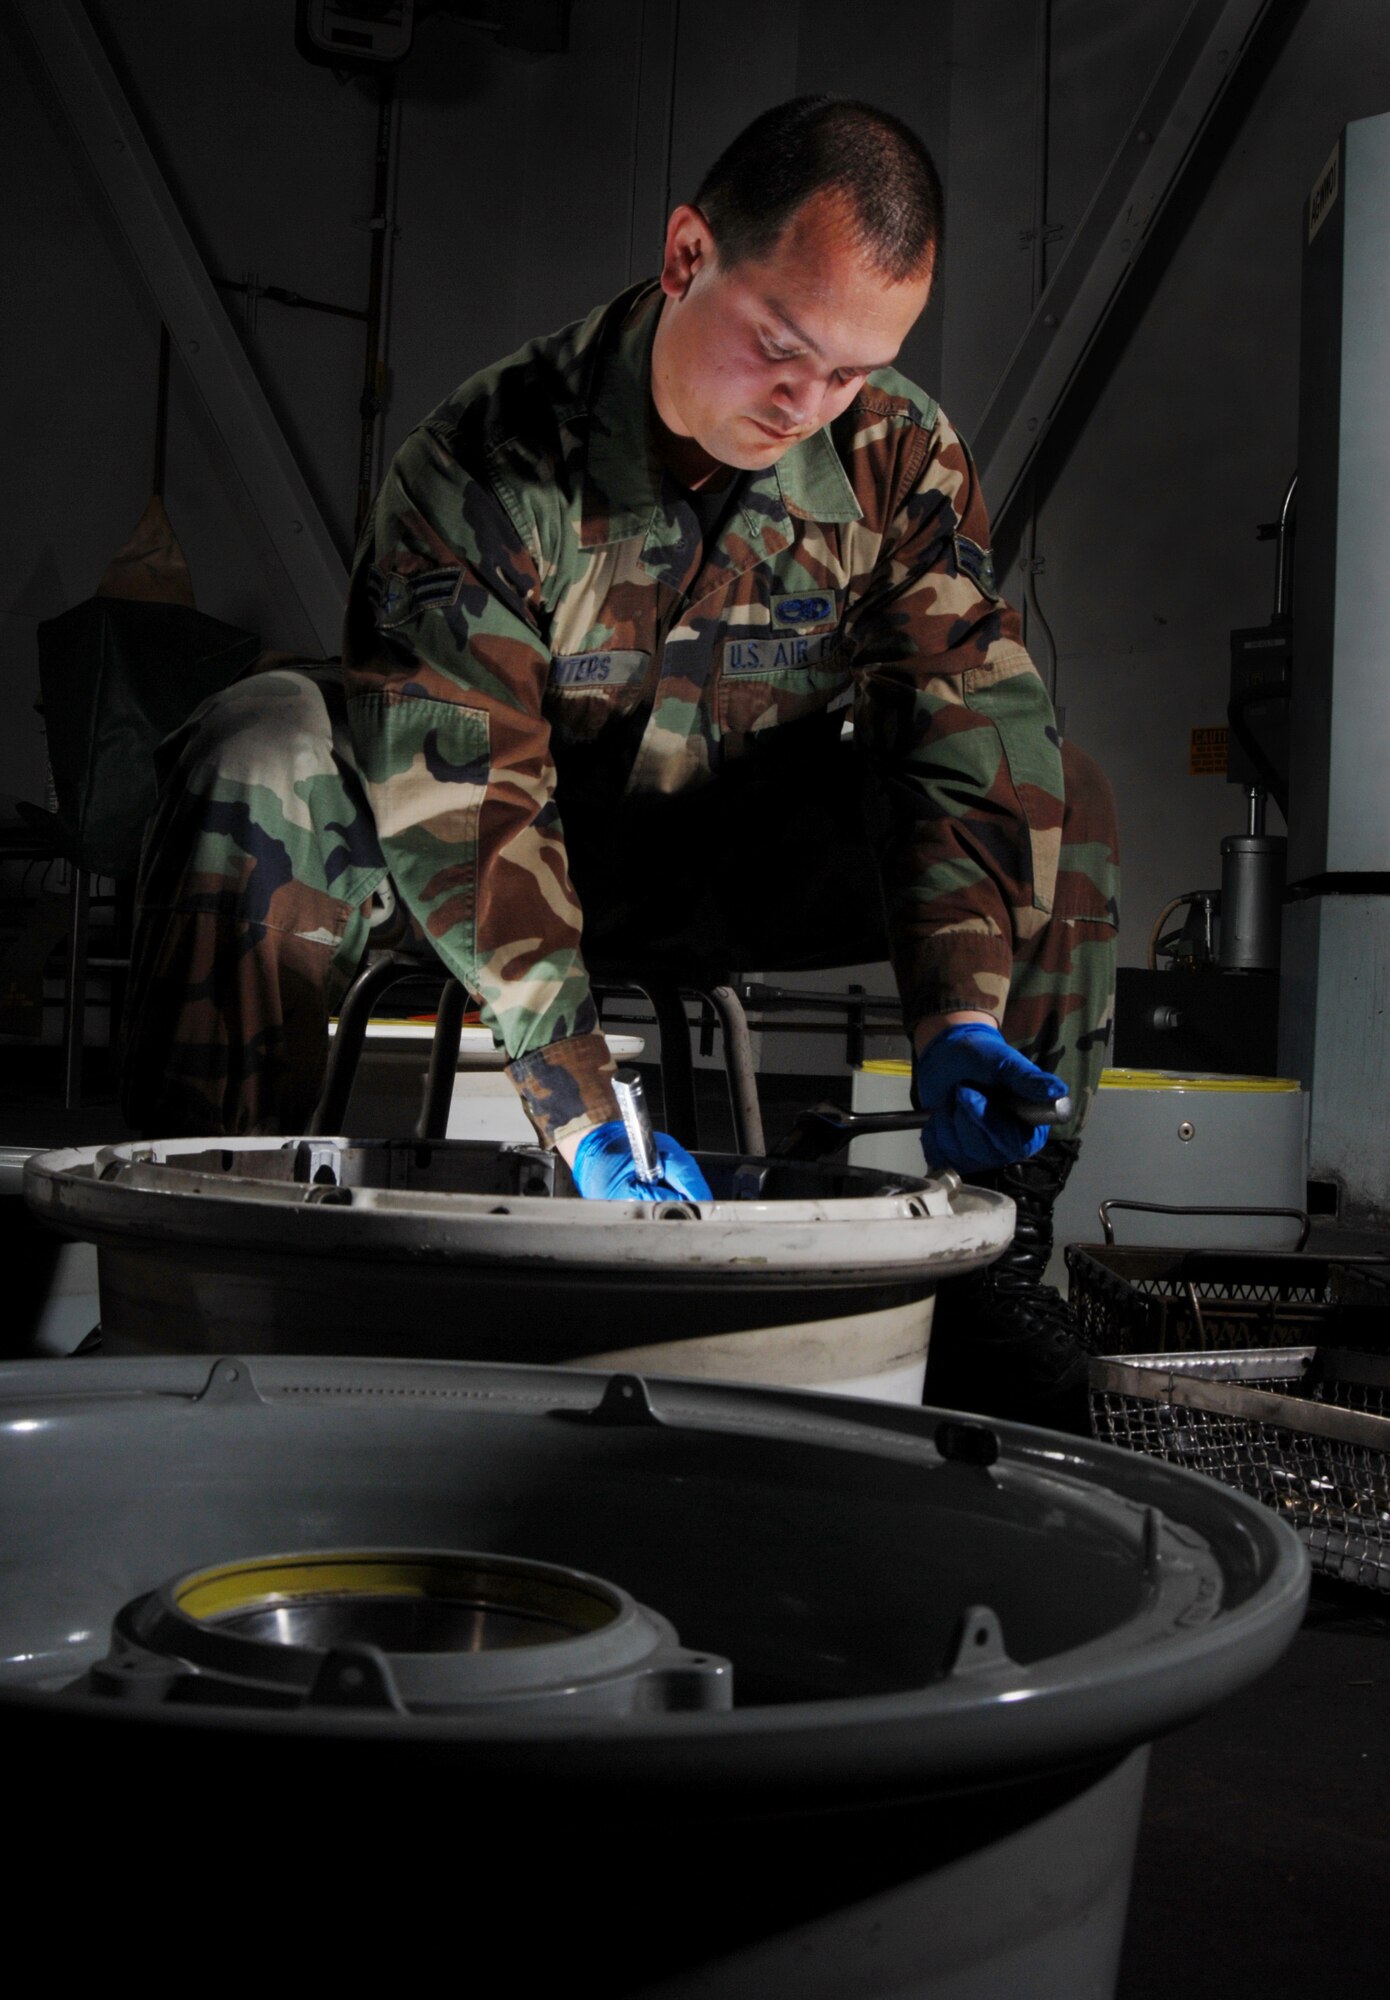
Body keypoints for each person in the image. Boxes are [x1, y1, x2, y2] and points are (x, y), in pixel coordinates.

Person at [123, 97, 1119, 1427]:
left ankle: (997, 1266)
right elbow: (468, 788)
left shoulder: (894, 456)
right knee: (258, 754)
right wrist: (571, 1089)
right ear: (686, 255)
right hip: (488, 853)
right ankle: (201, 1267)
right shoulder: (486, 458)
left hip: (722, 845)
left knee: (1066, 787)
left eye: (850, 372)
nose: (806, 405)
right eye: (781, 348)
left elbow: (954, 721)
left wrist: (960, 1006)